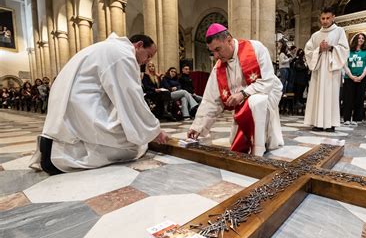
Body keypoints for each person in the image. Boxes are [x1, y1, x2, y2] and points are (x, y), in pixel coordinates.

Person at [29, 33, 168, 174]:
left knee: (130, 131)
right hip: (81, 106)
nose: (147, 61)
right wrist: (153, 130)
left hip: (73, 106)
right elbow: (131, 97)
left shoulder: (107, 48)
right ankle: (58, 158)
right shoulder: (123, 55)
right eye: (148, 55)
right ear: (138, 45)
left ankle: (52, 148)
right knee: (134, 145)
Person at [187, 23, 284, 156]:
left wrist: (243, 94)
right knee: (236, 140)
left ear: (229, 40)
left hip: (267, 93)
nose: (215, 56)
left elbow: (268, 81)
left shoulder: (256, 48)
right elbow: (211, 100)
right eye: (212, 52)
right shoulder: (219, 67)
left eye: (218, 49)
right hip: (243, 104)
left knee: (255, 102)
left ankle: (258, 149)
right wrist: (197, 127)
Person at [304, 6, 349, 132]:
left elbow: (345, 49)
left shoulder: (339, 31)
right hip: (318, 69)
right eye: (323, 18)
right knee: (317, 95)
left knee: (331, 95)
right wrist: (319, 49)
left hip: (331, 69)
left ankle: (331, 124)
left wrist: (331, 48)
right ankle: (317, 123)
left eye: (327, 18)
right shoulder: (316, 35)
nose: (325, 21)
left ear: (333, 17)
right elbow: (308, 50)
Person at [342, 33, 366, 125]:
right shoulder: (348, 51)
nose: (361, 39)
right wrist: (351, 76)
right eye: (359, 38)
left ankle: (357, 119)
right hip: (349, 78)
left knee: (359, 98)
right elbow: (345, 64)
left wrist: (361, 76)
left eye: (363, 38)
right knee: (348, 99)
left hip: (362, 78)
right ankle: (346, 119)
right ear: (355, 39)